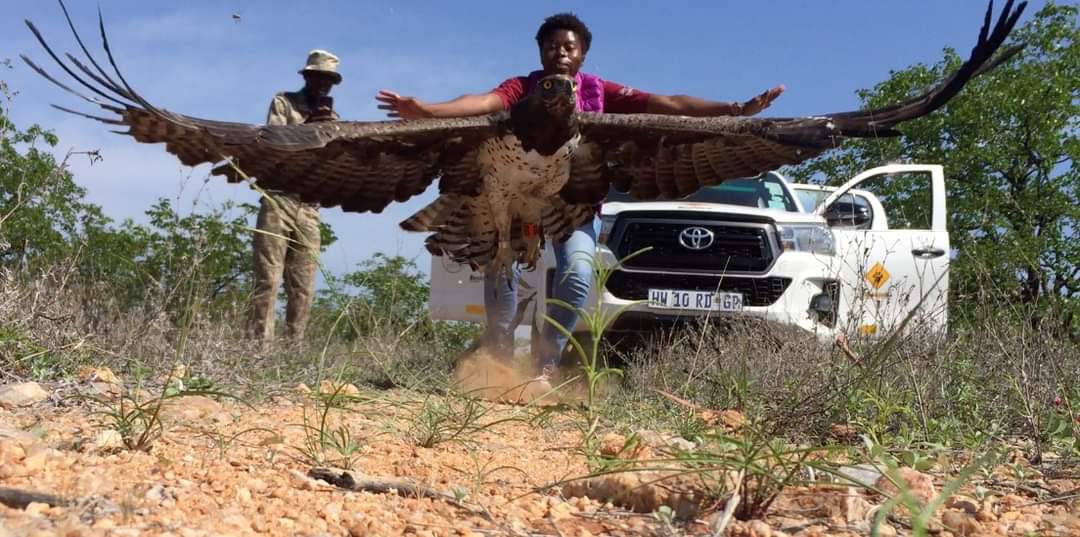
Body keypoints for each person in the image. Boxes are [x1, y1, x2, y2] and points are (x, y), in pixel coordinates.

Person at [376, 13, 783, 378]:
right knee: (503, 273)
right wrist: (429, 111)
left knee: (578, 274)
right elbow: (483, 103)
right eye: (551, 46)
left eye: (569, 46)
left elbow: (671, 103)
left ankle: (544, 365)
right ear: (540, 52)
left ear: (583, 54)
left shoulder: (599, 92)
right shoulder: (525, 88)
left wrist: (733, 109)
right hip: (516, 203)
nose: (560, 53)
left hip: (573, 207)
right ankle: (496, 365)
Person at [248, 49, 341, 347]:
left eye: (330, 81)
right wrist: (310, 125)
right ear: (308, 77)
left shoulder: (333, 118)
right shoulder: (284, 103)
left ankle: (294, 349)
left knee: (304, 285)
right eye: (320, 78)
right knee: (269, 278)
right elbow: (274, 142)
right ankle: (258, 349)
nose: (324, 85)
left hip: (310, 205)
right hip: (278, 197)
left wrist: (327, 129)